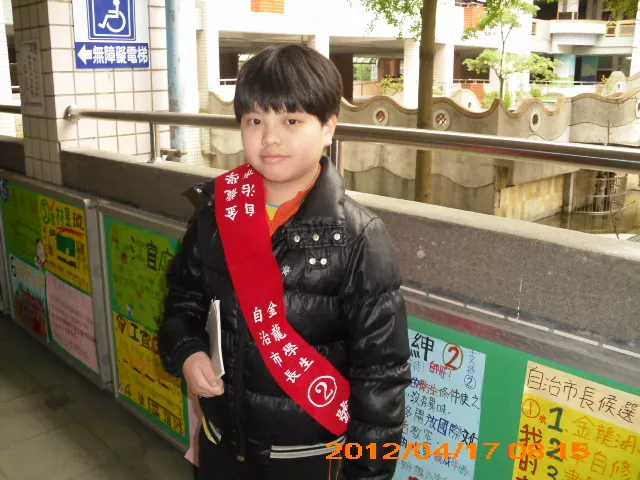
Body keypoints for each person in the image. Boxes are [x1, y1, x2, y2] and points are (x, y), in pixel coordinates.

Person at [159, 44, 411, 480]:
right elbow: (183, 299)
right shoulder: (217, 213)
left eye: (291, 121)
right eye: (254, 120)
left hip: (309, 461)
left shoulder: (358, 237)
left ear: (328, 127)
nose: (269, 138)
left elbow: (381, 376)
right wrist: (187, 351)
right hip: (221, 449)